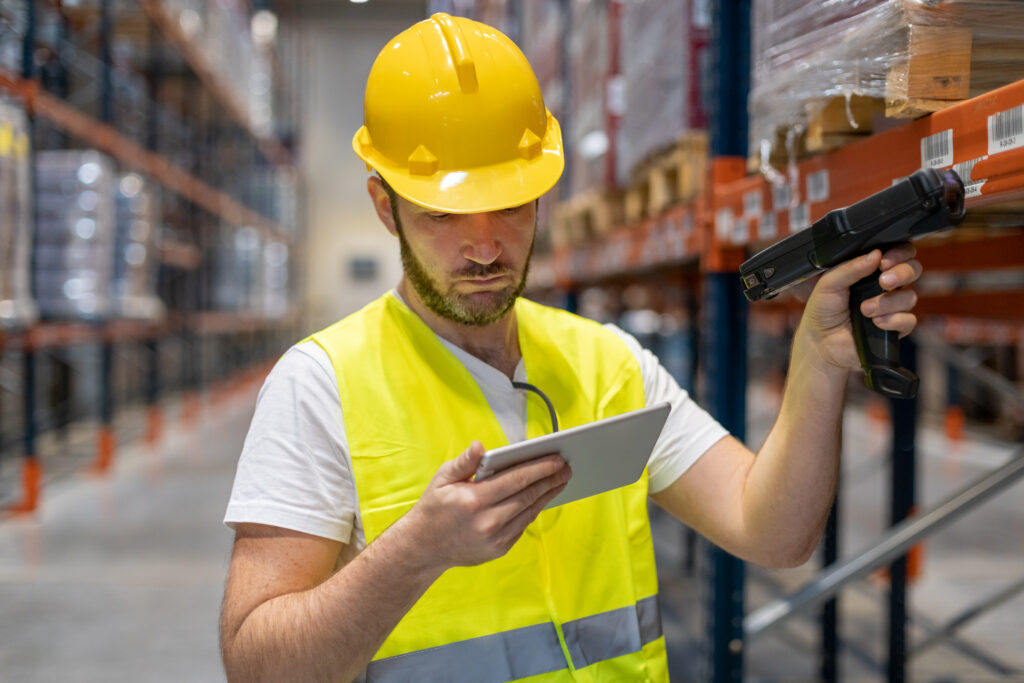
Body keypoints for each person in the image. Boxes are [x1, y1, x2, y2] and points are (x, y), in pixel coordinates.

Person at [219, 13, 923, 683]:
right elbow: (260, 667)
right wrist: (416, 551)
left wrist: (821, 361)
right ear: (384, 204)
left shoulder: (607, 362)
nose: (487, 245)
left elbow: (773, 532)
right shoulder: (321, 386)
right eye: (445, 216)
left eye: (513, 202)